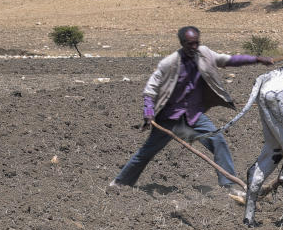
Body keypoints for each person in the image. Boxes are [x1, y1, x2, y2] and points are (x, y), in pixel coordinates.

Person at [109, 26, 273, 194]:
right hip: (169, 118)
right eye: (190, 44)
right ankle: (119, 183)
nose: (194, 47)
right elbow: (151, 89)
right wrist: (149, 113)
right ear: (182, 43)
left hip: (193, 116)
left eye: (196, 43)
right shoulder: (170, 63)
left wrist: (257, 59)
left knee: (218, 141)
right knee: (146, 152)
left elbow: (228, 60)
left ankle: (229, 186)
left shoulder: (205, 54)